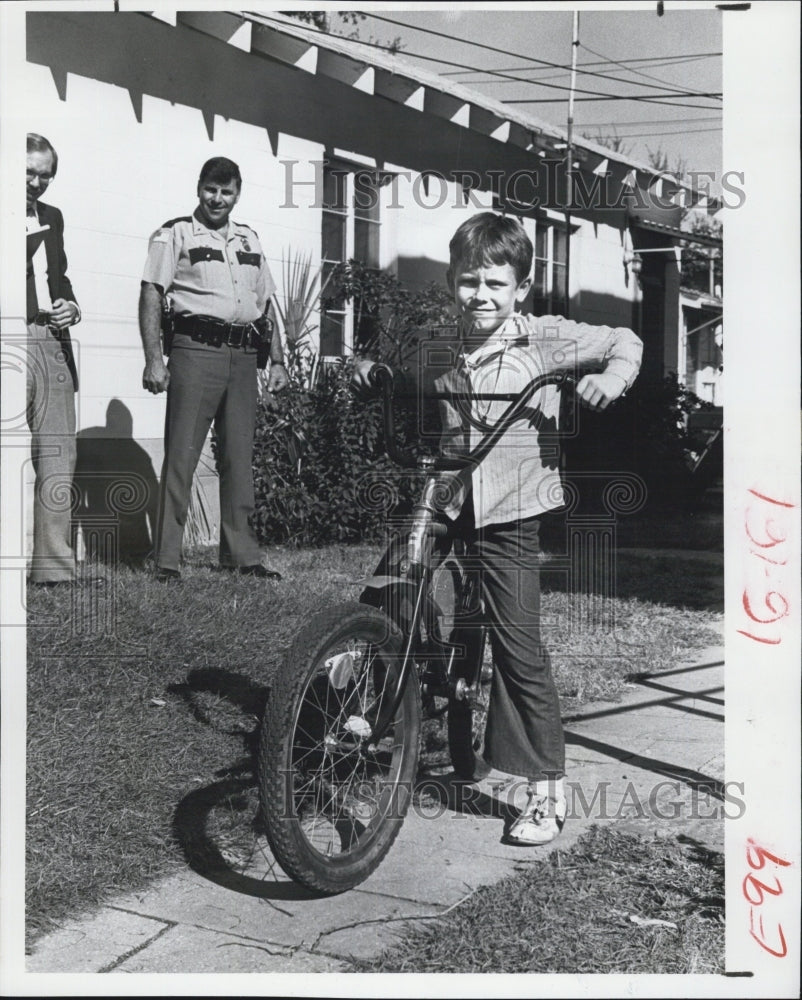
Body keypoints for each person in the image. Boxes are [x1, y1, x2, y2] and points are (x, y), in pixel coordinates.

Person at [353, 212, 643, 845]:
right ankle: (377, 695)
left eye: (493, 283)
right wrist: (372, 375)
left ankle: (545, 788)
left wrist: (607, 380)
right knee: (389, 582)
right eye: (466, 281)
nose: (479, 296)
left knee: (517, 644)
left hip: (511, 506)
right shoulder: (443, 339)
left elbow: (626, 341)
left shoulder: (544, 337)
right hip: (452, 493)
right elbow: (402, 373)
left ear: (520, 287)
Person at [138, 156, 287, 582]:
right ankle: (166, 560)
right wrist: (153, 358)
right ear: (198, 187)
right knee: (182, 453)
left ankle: (241, 555)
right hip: (194, 351)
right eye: (210, 189)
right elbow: (152, 292)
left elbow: (266, 303)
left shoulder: (249, 239)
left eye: (226, 191)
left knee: (239, 457)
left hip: (243, 358)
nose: (217, 199)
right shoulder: (175, 233)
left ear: (237, 193)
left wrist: (277, 359)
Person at [26, 133, 83, 587]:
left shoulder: (53, 217)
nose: (36, 181)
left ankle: (53, 570)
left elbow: (57, 276)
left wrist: (71, 306)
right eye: (28, 171)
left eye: (45, 175)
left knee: (58, 453)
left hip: (51, 338)